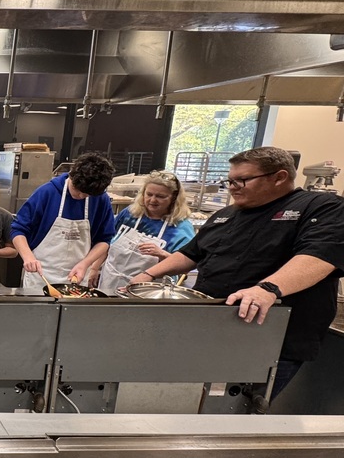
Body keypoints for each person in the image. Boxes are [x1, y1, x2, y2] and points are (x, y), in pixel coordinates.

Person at [129, 147, 344, 400]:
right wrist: (147, 276)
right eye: (230, 181)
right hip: (213, 329)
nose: (232, 187)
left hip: (273, 336)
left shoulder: (320, 207)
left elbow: (320, 256)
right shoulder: (226, 215)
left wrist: (268, 289)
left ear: (279, 177)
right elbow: (192, 253)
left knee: (243, 407)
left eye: (242, 180)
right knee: (188, 399)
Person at [11, 152, 117, 290]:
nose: (80, 196)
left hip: (77, 276)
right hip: (41, 274)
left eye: (86, 194)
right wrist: (27, 256)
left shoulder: (101, 199)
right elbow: (18, 229)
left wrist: (85, 264)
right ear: (72, 174)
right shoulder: (47, 193)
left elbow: (104, 240)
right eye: (77, 190)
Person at [90, 170, 196, 295]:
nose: (153, 200)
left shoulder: (180, 228)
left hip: (150, 291)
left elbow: (186, 266)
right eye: (149, 194)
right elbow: (107, 242)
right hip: (110, 281)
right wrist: (95, 267)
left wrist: (161, 254)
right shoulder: (130, 214)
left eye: (160, 196)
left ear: (174, 198)